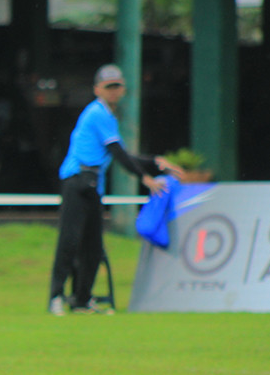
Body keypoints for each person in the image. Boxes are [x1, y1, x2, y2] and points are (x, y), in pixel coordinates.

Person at [48, 64, 182, 316]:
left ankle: (81, 300)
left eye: (117, 86)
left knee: (93, 246)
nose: (113, 90)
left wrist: (155, 163)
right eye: (108, 86)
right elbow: (118, 153)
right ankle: (56, 296)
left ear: (123, 89)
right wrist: (145, 178)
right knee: (70, 241)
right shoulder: (97, 113)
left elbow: (122, 153)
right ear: (97, 89)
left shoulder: (108, 117)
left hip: (93, 185)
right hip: (77, 182)